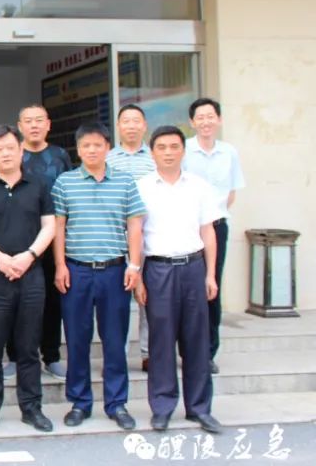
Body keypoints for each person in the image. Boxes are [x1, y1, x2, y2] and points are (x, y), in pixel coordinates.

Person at [52, 122, 145, 431]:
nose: (92, 150)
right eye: (86, 146)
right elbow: (59, 227)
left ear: (108, 148)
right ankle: (80, 402)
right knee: (77, 339)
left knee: (115, 340)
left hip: (114, 271)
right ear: (78, 150)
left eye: (97, 145)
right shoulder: (65, 182)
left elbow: (134, 225)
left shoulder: (125, 182)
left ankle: (117, 403)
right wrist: (60, 265)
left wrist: (134, 265)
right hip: (76, 270)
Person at [0, 125, 55, 434]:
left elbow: (49, 226)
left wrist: (29, 256)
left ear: (21, 151)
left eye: (10, 148)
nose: (5, 153)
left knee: (29, 347)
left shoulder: (39, 185)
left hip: (31, 276)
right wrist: (1, 259)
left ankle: (31, 408)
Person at [136, 126, 222, 434]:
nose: (169, 152)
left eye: (174, 146)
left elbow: (208, 231)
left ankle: (199, 408)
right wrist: (138, 278)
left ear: (183, 151)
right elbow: (135, 235)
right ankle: (162, 407)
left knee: (196, 340)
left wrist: (210, 274)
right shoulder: (142, 187)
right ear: (152, 152)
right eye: (162, 147)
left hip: (193, 267)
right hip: (158, 269)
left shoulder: (199, 186)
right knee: (161, 341)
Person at [182, 97, 245, 375]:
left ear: (218, 120)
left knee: (211, 286)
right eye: (200, 117)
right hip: (186, 228)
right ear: (192, 122)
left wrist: (211, 216)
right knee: (187, 290)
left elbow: (230, 194)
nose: (206, 122)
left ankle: (208, 352)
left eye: (210, 116)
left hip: (216, 227)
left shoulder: (229, 153)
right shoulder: (183, 150)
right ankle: (187, 350)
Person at [12, 104, 71, 380]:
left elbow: (67, 199)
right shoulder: (13, 154)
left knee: (51, 301)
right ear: (20, 126)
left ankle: (51, 355)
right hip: (18, 240)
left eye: (39, 120)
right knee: (15, 302)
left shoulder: (60, 156)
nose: (34, 125)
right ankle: (15, 356)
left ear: (48, 124)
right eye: (28, 121)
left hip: (53, 241)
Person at [106, 104, 156, 372]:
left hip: (153, 234)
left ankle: (149, 352)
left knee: (149, 297)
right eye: (126, 121)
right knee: (118, 300)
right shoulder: (108, 158)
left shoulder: (156, 157)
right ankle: (119, 354)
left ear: (144, 125)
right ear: (118, 126)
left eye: (136, 121)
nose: (131, 126)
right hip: (118, 235)